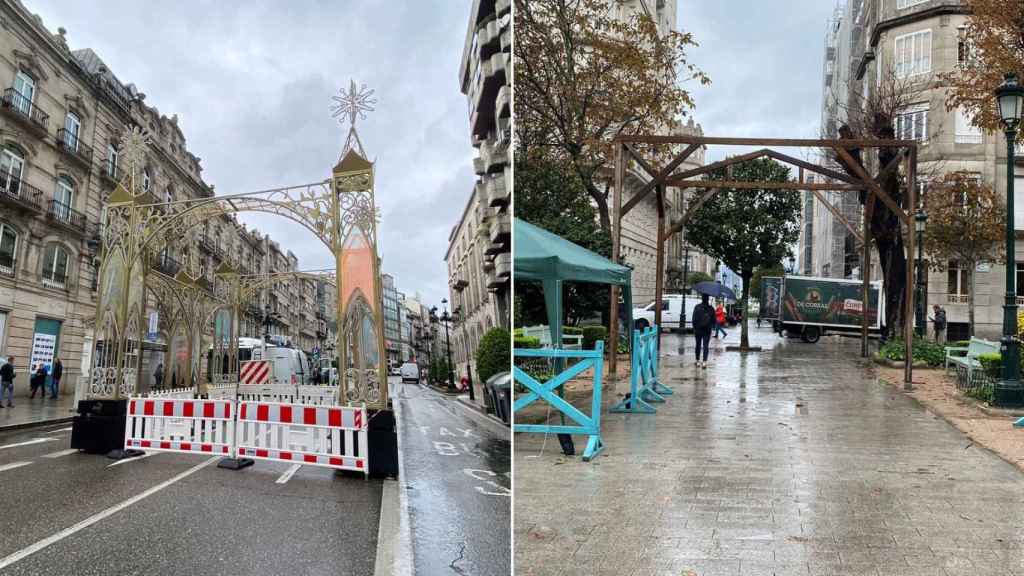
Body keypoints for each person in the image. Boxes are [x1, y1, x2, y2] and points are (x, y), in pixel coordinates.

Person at [692, 294, 715, 369]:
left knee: (698, 345)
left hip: (698, 329)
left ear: (702, 299)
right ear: (708, 299)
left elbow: (694, 319)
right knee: (706, 346)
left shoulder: (697, 307)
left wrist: (695, 328)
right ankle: (704, 362)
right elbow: (714, 321)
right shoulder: (711, 308)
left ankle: (697, 361)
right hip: (707, 330)